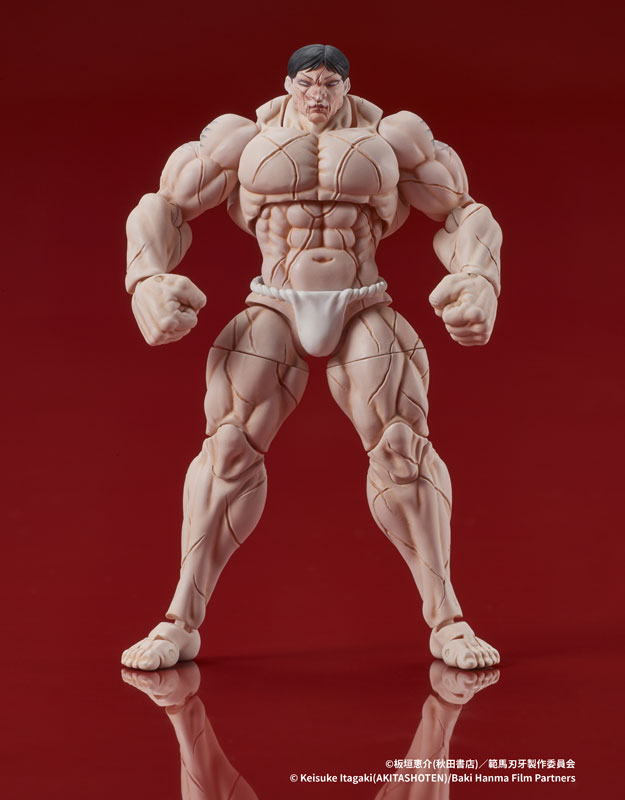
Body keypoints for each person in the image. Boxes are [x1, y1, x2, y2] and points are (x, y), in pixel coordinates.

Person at [122, 44, 502, 671]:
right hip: (273, 302)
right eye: (307, 83)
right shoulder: (243, 139)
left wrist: (480, 278)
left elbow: (464, 212)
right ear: (288, 85)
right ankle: (179, 623)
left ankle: (449, 621)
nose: (318, 94)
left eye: (330, 82)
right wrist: (147, 279)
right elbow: (163, 206)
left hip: (362, 301)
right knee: (227, 448)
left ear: (347, 85)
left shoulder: (393, 138)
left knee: (403, 447)